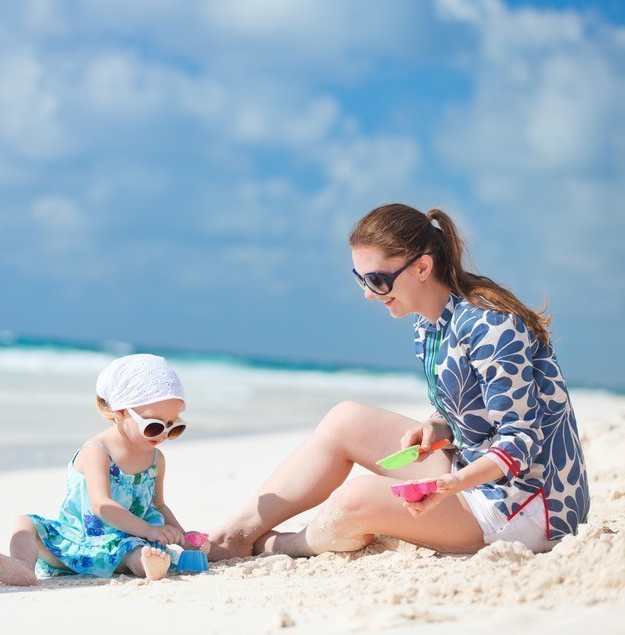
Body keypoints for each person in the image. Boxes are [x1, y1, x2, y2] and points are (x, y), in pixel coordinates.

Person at [209, 203, 589, 559]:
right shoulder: (430, 326)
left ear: (422, 267)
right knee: (345, 419)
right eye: (361, 278)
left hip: (529, 505)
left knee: (355, 498)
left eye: (377, 280)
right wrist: (436, 425)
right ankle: (234, 534)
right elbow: (469, 411)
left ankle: (281, 545)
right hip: (476, 476)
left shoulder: (491, 326)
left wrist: (450, 487)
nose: (368, 294)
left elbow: (521, 438)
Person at [0, 354, 202, 585]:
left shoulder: (156, 459)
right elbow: (101, 505)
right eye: (153, 426)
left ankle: (148, 566)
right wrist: (149, 530)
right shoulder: (97, 451)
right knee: (25, 522)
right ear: (120, 411)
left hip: (127, 542)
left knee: (136, 552)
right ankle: (23, 565)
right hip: (77, 543)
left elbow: (159, 505)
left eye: (174, 427)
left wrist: (183, 537)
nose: (164, 434)